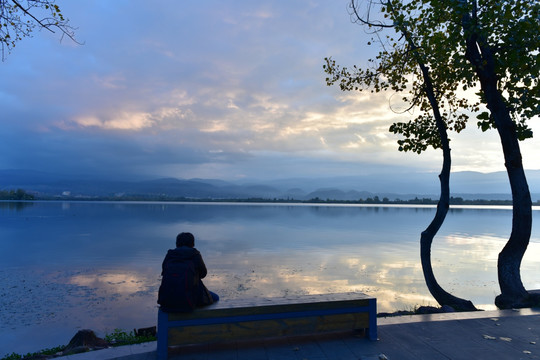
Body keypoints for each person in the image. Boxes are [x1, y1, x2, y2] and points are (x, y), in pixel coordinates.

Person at [157, 232, 219, 312]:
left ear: (177, 243)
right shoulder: (195, 254)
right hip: (188, 302)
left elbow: (164, 272)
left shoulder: (170, 255)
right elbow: (203, 274)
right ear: (192, 243)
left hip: (166, 303)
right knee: (216, 297)